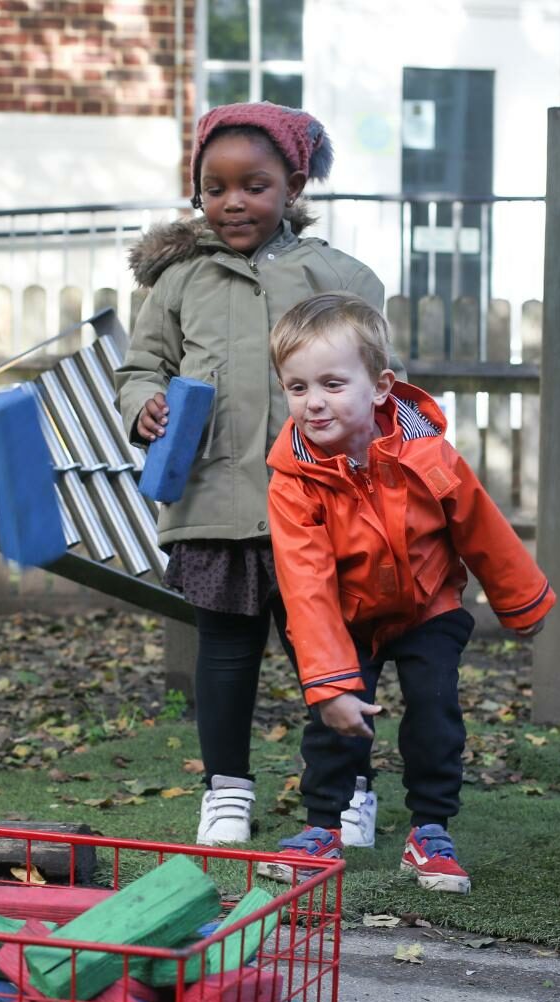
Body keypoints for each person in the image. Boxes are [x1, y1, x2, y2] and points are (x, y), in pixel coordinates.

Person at [114, 103, 387, 847]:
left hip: (320, 507)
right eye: (216, 186)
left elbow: (372, 378)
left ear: (293, 186)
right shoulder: (178, 281)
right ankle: (225, 789)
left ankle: (348, 790)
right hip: (216, 501)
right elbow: (142, 367)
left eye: (255, 185)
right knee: (227, 652)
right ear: (198, 191)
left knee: (328, 654)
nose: (234, 201)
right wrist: (143, 407)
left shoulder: (336, 276)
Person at [257, 293, 556, 893]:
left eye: (332, 384)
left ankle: (430, 830)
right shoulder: (294, 481)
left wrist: (522, 600)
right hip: (347, 616)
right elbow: (305, 585)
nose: (313, 402)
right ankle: (322, 827)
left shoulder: (426, 454)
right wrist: (332, 684)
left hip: (428, 605)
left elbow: (481, 527)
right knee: (334, 718)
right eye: (296, 387)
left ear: (380, 386)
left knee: (434, 706)